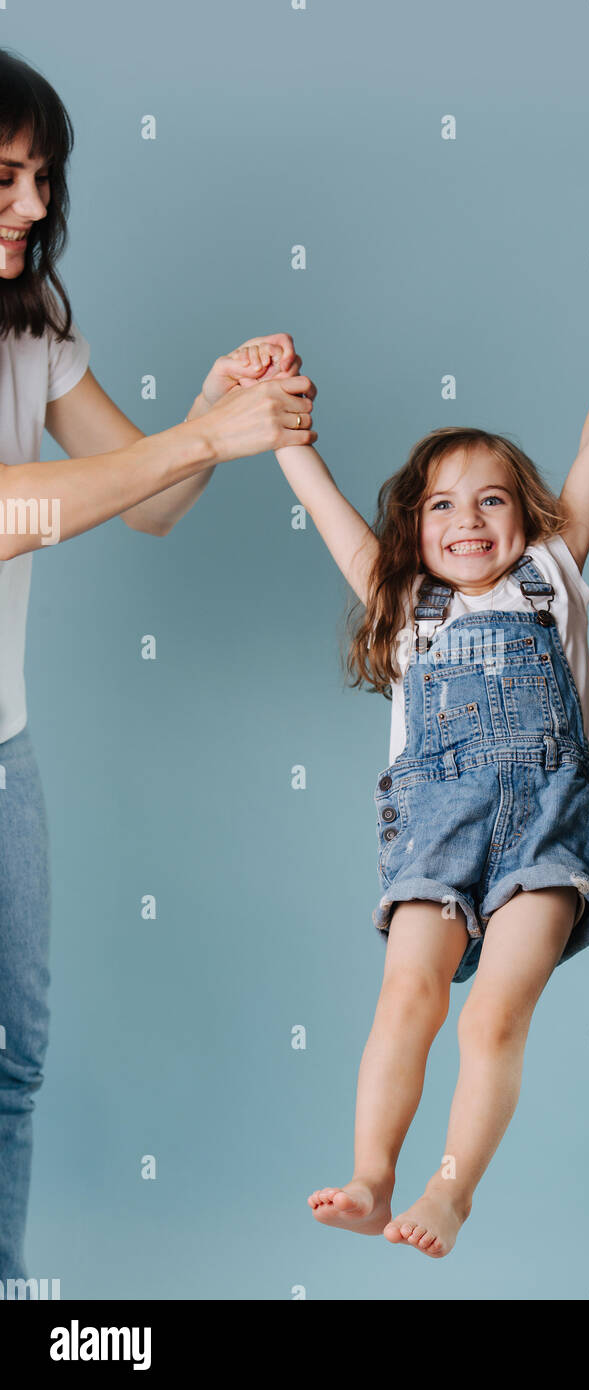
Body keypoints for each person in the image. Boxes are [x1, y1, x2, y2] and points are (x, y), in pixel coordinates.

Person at [266, 278, 589, 1253]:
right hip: (437, 826)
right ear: (413, 529)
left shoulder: (555, 571)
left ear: (526, 511)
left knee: (490, 1016)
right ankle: (374, 1174)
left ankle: (451, 1187)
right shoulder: (402, 607)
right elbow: (318, 496)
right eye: (442, 504)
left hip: (547, 825)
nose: (469, 519)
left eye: (492, 498)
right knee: (410, 993)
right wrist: (284, 418)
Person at [0, 47, 318, 1284]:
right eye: (7, 177)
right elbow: (13, 507)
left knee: (14, 1063)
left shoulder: (36, 318)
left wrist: (209, 416)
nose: (33, 206)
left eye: (42, 180)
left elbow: (145, 503)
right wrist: (203, 433)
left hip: (4, 749)